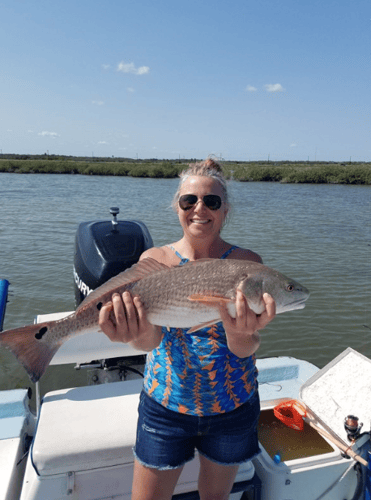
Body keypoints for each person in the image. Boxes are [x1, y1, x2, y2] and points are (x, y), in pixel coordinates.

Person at [99, 158, 276, 500]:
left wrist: (241, 333)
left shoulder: (249, 265)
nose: (200, 209)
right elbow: (151, 341)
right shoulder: (155, 260)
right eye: (189, 201)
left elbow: (243, 348)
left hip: (233, 406)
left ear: (225, 210)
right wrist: (132, 332)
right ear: (177, 207)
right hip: (166, 405)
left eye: (212, 201)